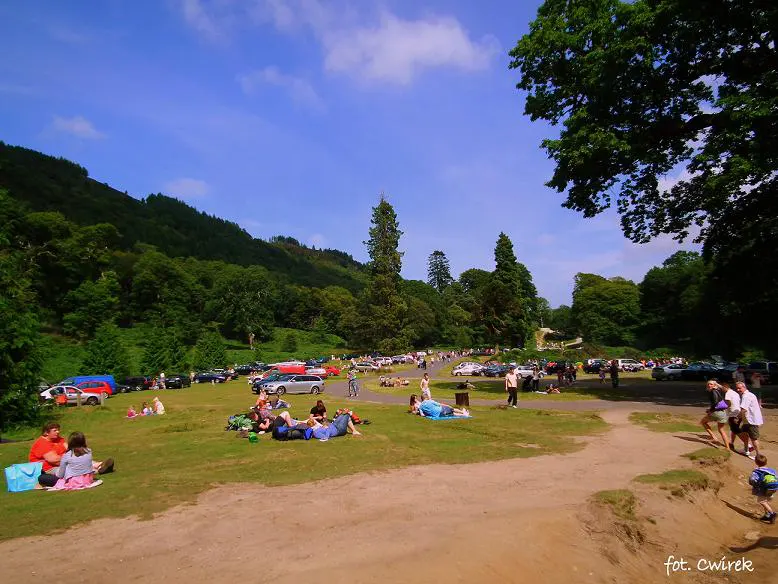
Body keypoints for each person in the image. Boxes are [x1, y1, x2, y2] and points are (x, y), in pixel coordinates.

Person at [30, 422, 113, 487]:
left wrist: (73, 458)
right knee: (74, 465)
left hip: (64, 462)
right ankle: (97, 469)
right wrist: (70, 459)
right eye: (55, 430)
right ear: (46, 433)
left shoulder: (59, 439)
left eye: (58, 430)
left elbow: (71, 449)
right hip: (49, 468)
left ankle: (99, 465)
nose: (58, 432)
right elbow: (53, 460)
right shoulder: (42, 443)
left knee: (79, 458)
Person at [699, 380, 731, 449]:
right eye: (708, 384)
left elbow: (715, 403)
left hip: (716, 412)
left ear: (714, 385)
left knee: (703, 422)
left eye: (711, 384)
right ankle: (727, 447)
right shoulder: (718, 390)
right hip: (723, 412)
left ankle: (714, 437)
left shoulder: (713, 392)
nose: (709, 385)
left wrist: (710, 410)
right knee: (721, 430)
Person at [737, 381, 764, 458]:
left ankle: (758, 455)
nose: (738, 390)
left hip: (751, 421)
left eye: (739, 388)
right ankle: (746, 450)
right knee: (744, 434)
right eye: (737, 388)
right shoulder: (748, 395)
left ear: (744, 387)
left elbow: (743, 409)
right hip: (748, 420)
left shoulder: (746, 396)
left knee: (753, 438)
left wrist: (738, 417)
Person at [748, 454, 777, 524]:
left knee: (762, 501)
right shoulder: (772, 470)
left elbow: (753, 480)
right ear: (766, 462)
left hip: (763, 489)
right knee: (765, 500)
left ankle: (772, 513)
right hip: (773, 488)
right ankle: (767, 515)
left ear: (756, 462)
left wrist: (752, 482)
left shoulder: (757, 471)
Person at [721, 382, 742, 451]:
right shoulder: (735, 393)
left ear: (725, 388)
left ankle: (748, 444)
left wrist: (720, 407)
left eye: (722, 389)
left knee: (736, 430)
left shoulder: (728, 393)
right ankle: (732, 443)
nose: (722, 390)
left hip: (733, 414)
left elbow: (728, 403)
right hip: (738, 413)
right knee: (733, 430)